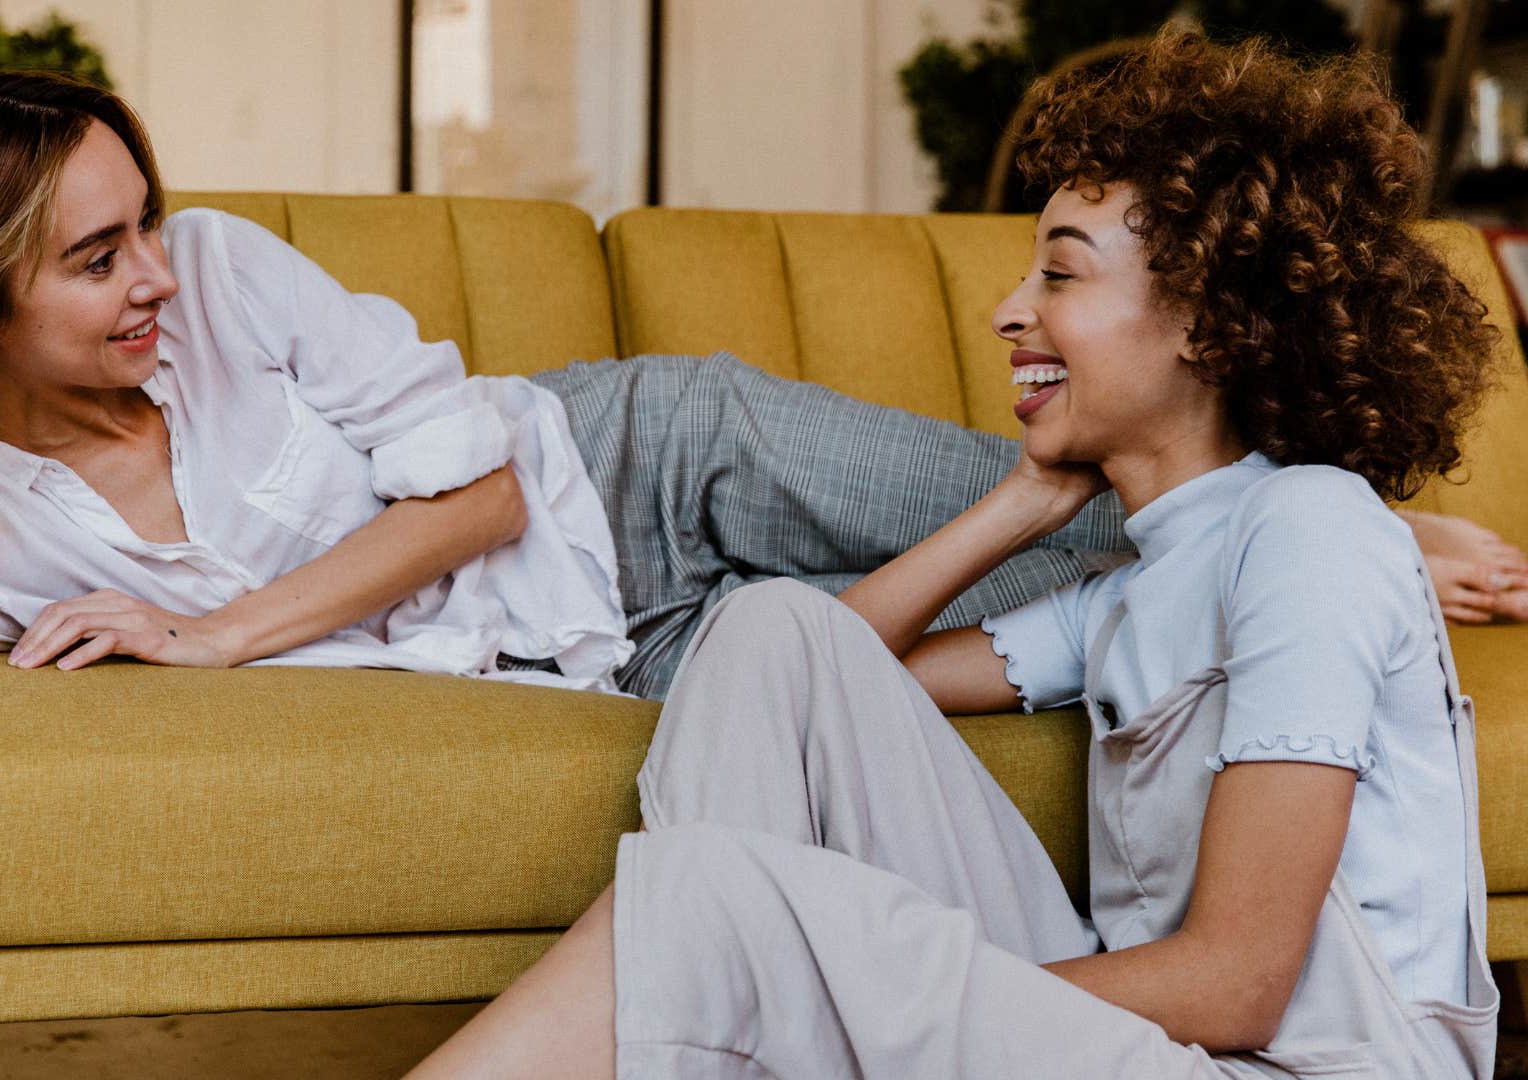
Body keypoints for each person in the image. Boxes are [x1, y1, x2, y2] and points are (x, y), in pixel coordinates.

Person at [0, 61, 1522, 723]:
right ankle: (1318, 552)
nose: (150, 278)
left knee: (1111, 527)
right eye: (92, 259)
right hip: (615, 656)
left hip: (645, 466)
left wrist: (221, 643)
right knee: (1089, 625)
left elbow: (480, 500)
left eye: (138, 226)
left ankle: (1333, 529)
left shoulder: (221, 275)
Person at [409, 32, 1502, 1080]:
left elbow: (1239, 984)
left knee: (716, 902)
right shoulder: (1128, 591)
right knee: (771, 624)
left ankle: (736, 1014)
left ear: (1208, 322)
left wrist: (863, 1001)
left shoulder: (1312, 531)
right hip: (1159, 1049)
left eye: (1061, 278)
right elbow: (826, 672)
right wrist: (1022, 499)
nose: (1007, 312)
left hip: (1280, 1068)